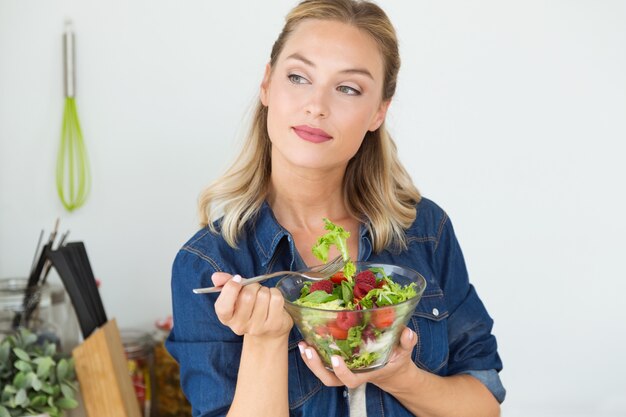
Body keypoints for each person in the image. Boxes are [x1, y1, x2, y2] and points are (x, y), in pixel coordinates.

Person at [166, 1, 506, 416]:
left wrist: (396, 373)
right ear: (267, 84)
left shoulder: (424, 231)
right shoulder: (207, 263)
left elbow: (483, 406)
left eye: (348, 88)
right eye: (298, 77)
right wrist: (266, 341)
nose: (317, 105)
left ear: (379, 111)